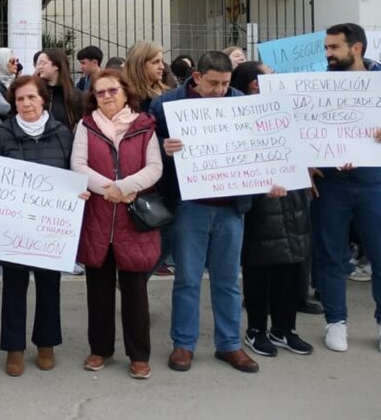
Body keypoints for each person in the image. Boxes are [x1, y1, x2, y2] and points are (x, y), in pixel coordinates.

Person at [150, 51, 261, 373]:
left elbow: (257, 146)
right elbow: (145, 147)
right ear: (196, 77)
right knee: (187, 279)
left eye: (225, 84)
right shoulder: (165, 105)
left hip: (231, 207)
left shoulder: (240, 102)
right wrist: (163, 148)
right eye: (213, 83)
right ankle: (183, 344)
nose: (220, 91)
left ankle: (230, 345)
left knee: (227, 281)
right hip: (191, 207)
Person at [0, 75, 82, 376]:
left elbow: (74, 172)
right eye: (20, 99)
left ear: (44, 100)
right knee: (14, 287)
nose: (26, 103)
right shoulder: (2, 136)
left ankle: (46, 343)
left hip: (50, 229)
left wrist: (79, 192)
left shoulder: (63, 134)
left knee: (49, 287)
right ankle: (14, 348)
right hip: (15, 228)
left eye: (32, 98)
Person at [72, 70, 162, 380]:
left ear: (125, 92)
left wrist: (123, 187)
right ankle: (100, 349)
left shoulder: (144, 126)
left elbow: (154, 167)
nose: (107, 96)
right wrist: (108, 187)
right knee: (98, 290)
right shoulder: (86, 126)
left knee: (135, 293)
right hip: (98, 218)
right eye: (100, 92)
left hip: (132, 219)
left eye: (113, 90)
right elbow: (78, 165)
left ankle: (139, 355)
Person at [230, 61, 314, 357]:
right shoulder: (240, 114)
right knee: (260, 268)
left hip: (292, 198)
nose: (278, 79)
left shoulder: (287, 109)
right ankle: (256, 330)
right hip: (261, 201)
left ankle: (284, 328)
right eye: (270, 77)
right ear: (254, 84)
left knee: (291, 264)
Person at [311, 23, 381, 352]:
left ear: (356, 48)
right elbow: (303, 128)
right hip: (331, 183)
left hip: (374, 183)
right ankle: (335, 321)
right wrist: (309, 162)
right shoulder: (318, 86)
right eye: (326, 48)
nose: (328, 54)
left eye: (334, 48)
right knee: (330, 253)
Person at [34, 48, 84, 128]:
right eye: (37, 64)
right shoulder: (35, 92)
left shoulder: (76, 96)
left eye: (43, 63)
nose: (39, 67)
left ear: (56, 65)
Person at [123, 41, 171, 113]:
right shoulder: (125, 98)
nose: (162, 67)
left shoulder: (168, 95)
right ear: (139, 65)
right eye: (156, 62)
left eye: (162, 61)